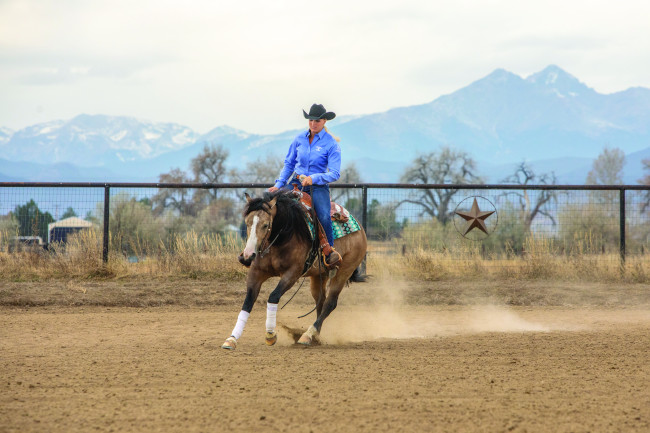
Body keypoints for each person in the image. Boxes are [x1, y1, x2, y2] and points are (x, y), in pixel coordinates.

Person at [268, 103, 342, 267]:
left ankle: (329, 252)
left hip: (318, 187)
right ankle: (266, 245)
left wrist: (313, 178)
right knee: (271, 203)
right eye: (310, 120)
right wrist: (279, 184)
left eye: (317, 120)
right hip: (296, 182)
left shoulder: (331, 144)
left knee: (323, 215)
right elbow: (289, 163)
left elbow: (335, 173)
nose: (313, 123)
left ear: (324, 121)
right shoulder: (299, 139)